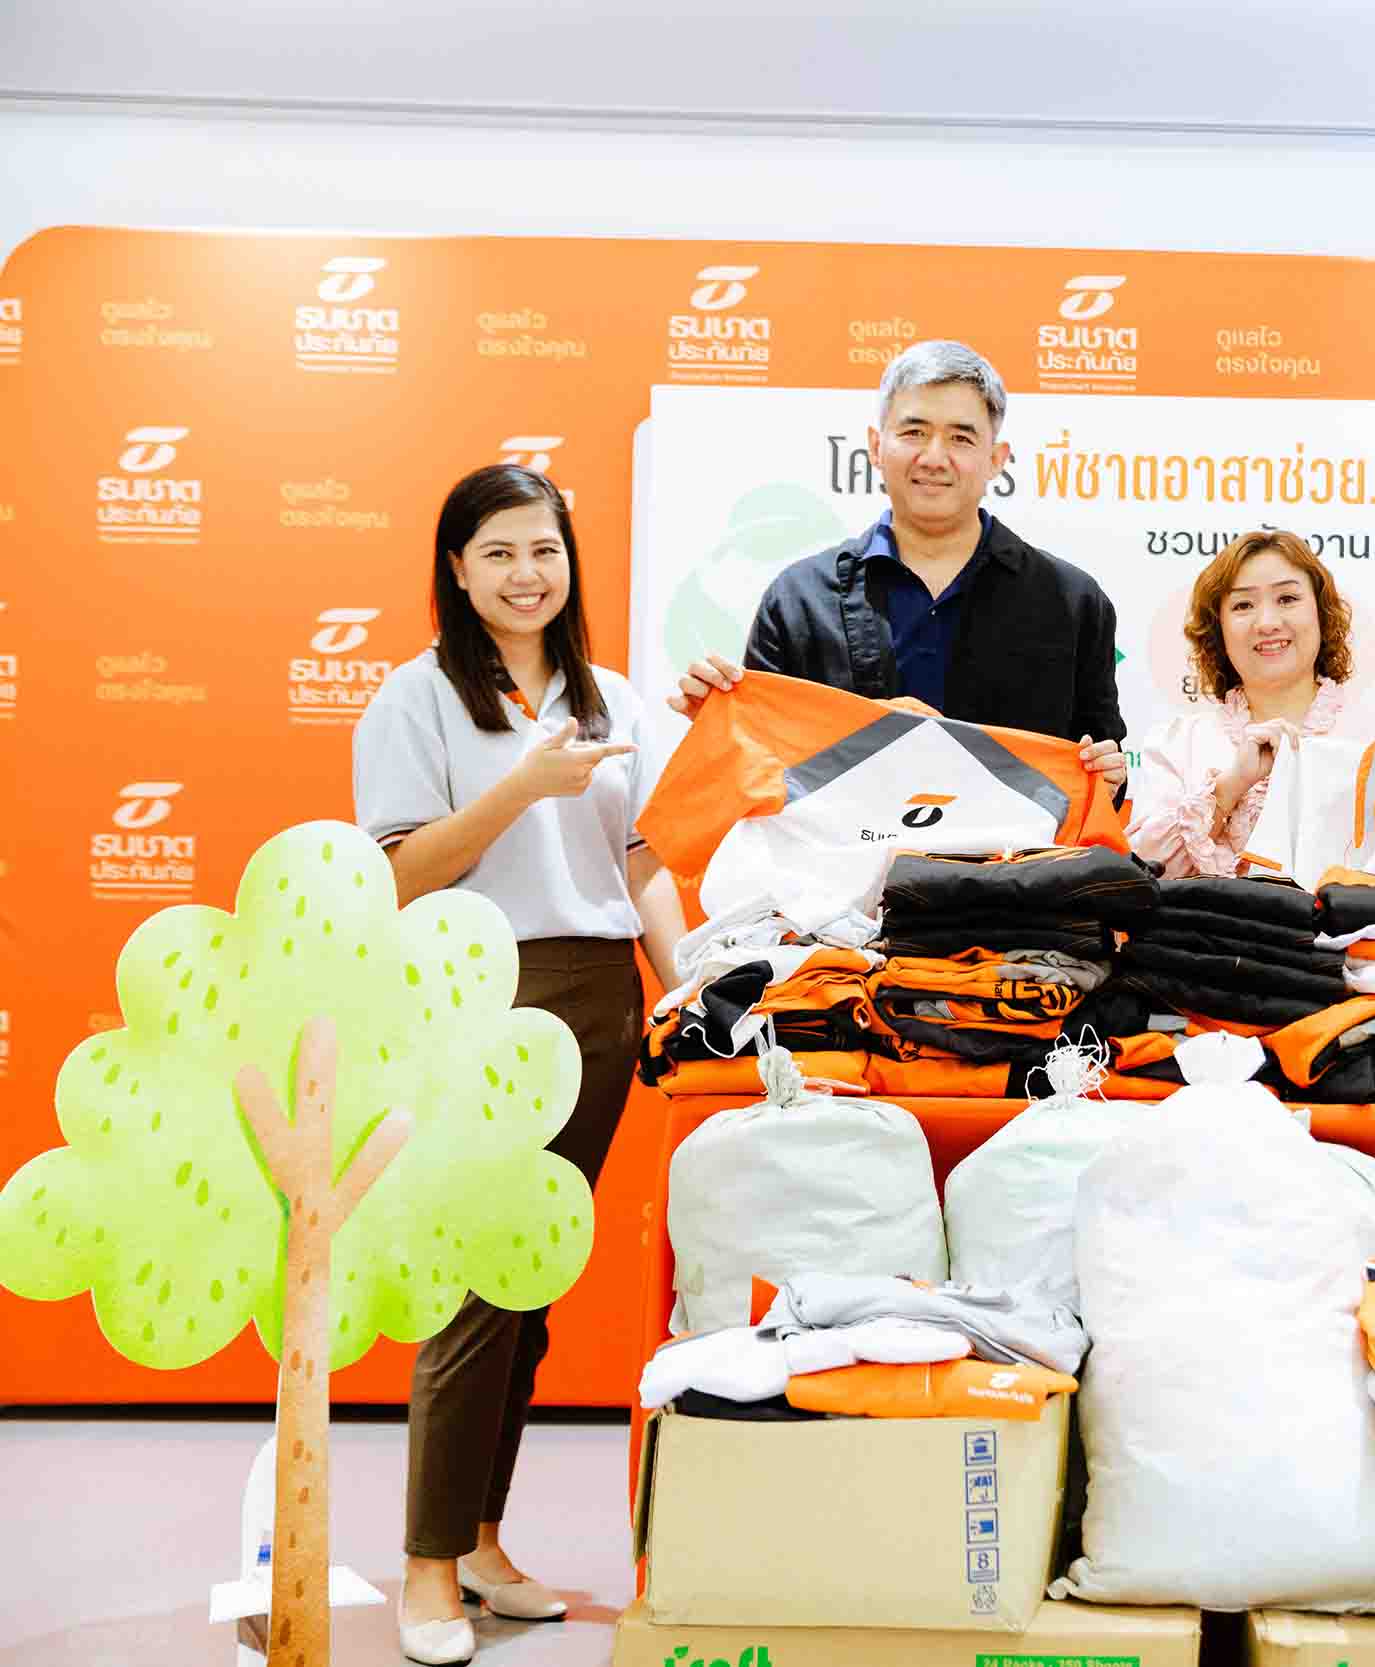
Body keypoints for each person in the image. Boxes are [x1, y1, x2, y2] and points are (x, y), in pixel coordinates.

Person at [353, 465, 687, 1665]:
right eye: (496, 551)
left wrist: (683, 984)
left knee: (529, 1278)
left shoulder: (613, 698)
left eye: (543, 548)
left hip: (601, 998)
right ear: (456, 568)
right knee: (473, 1282)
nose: (525, 573)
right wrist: (520, 788)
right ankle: (426, 1564)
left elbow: (639, 858)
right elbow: (399, 871)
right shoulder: (415, 697)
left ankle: (481, 1542)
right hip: (479, 993)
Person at [673, 339, 1126, 788]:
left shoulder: (1071, 602)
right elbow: (761, 767)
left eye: (961, 438)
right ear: (876, 446)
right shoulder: (799, 599)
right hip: (841, 839)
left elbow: (1102, 773)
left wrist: (1106, 781)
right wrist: (721, 726)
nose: (934, 457)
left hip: (1014, 841)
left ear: (995, 459)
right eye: (914, 433)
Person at [1129, 531, 1352, 876]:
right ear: (1218, 629)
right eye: (1243, 605)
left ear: (1321, 614)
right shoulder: (1176, 743)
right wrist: (1230, 786)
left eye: (1287, 599)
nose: (1268, 623)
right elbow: (1146, 873)